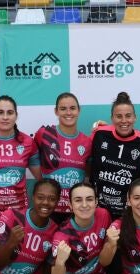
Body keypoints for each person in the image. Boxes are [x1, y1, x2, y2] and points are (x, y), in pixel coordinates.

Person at [0, 95, 41, 263]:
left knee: (14, 261)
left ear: (16, 115)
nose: (5, 117)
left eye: (10, 112)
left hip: (17, 214)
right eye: (0, 112)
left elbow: (41, 177)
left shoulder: (27, 142)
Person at [49, 182, 123, 274]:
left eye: (89, 199)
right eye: (78, 200)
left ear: (96, 202)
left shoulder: (103, 215)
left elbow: (105, 262)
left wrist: (111, 244)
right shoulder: (61, 237)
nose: (84, 205)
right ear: (70, 205)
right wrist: (59, 263)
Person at [90, 92, 140, 219]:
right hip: (98, 209)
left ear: (135, 117)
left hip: (129, 212)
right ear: (112, 118)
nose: (124, 121)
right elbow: (87, 162)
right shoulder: (99, 134)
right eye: (119, 116)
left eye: (128, 116)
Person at [35, 92, 93, 224]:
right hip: (48, 207)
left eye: (72, 108)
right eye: (63, 109)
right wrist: (43, 180)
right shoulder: (44, 134)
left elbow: (89, 172)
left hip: (75, 209)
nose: (68, 113)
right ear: (56, 111)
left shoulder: (87, 142)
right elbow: (30, 157)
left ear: (79, 110)